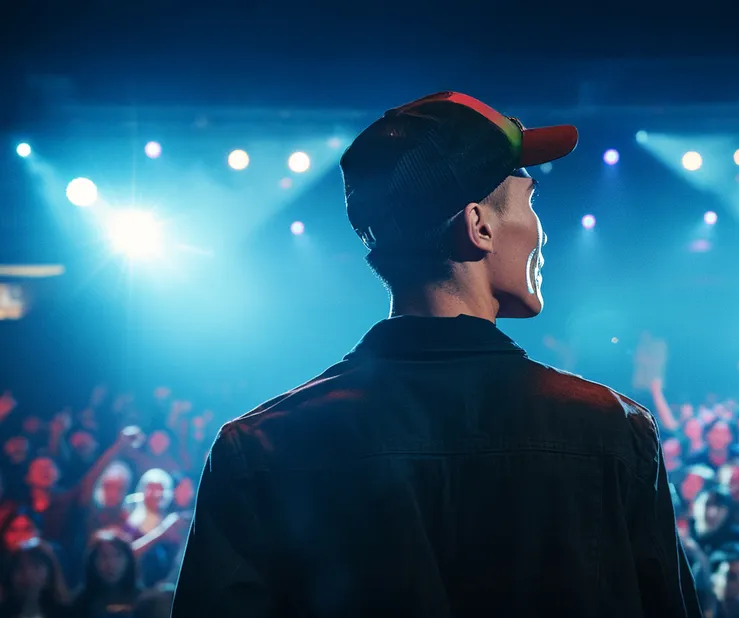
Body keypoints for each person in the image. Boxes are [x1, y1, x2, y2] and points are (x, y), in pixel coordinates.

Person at [172, 92, 701, 617]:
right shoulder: (611, 431)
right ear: (480, 225)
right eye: (530, 200)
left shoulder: (259, 448)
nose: (542, 230)